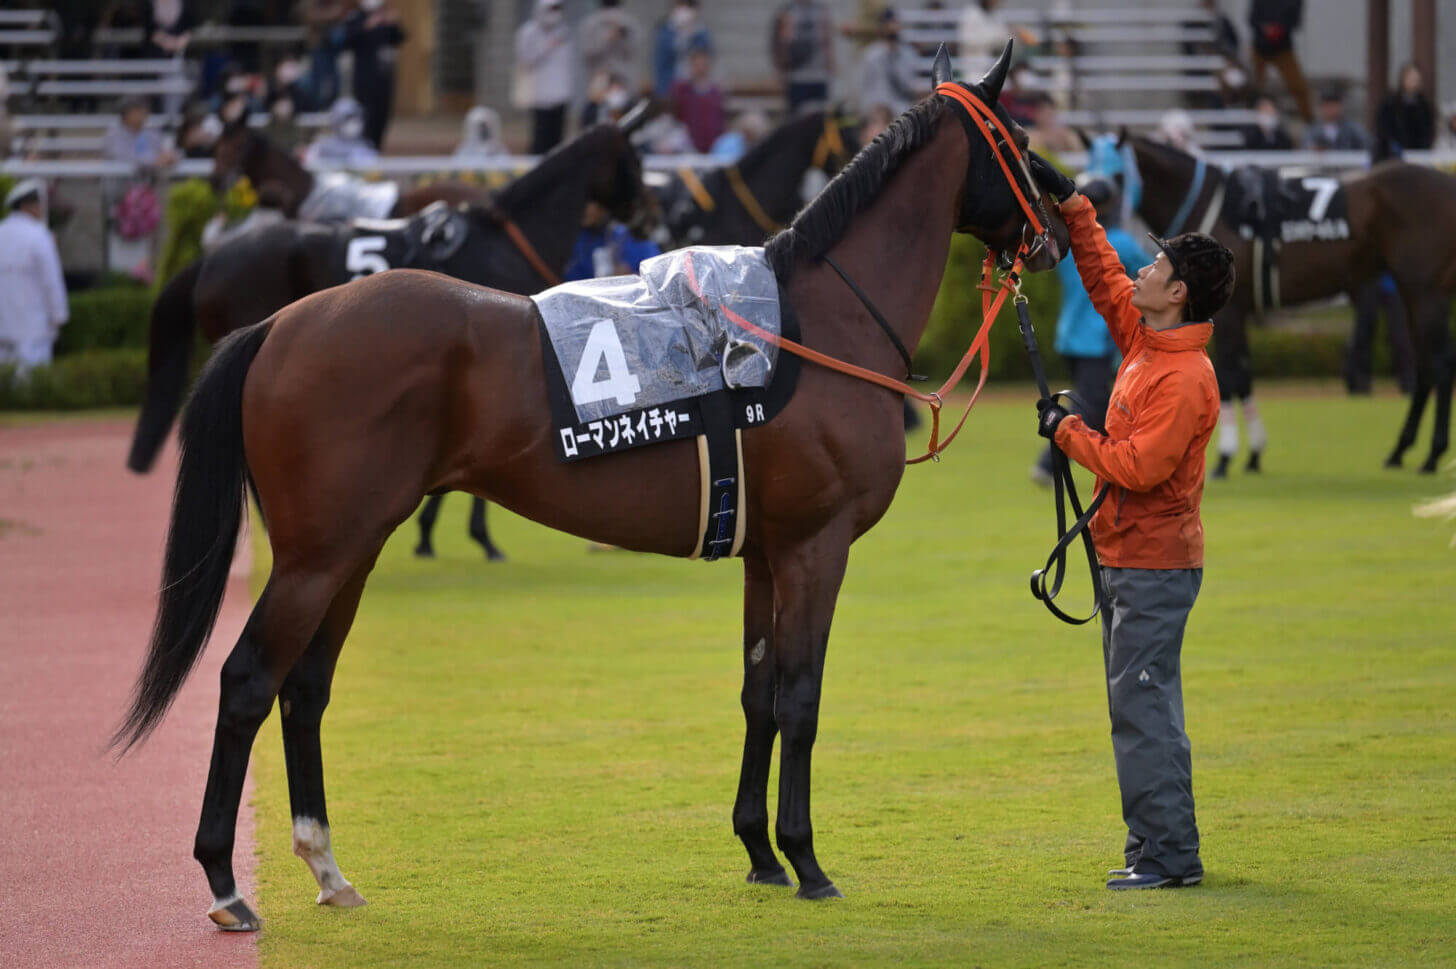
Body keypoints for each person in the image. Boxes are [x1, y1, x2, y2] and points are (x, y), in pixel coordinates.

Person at [1031, 155, 1234, 892]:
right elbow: (1102, 277)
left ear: (1177, 293)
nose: (1140, 270)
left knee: (1143, 709)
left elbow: (1140, 466)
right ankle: (1153, 848)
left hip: (1153, 563)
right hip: (1130, 557)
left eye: (1155, 264)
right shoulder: (1152, 341)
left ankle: (1170, 857)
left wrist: (1066, 431)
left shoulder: (1183, 376)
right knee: (1139, 707)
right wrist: (1072, 203)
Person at [1032, 177, 1148, 485]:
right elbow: (1153, 272)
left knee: (1103, 401)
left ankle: (1116, 461)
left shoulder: (1068, 242)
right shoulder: (1120, 242)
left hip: (1070, 333)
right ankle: (1050, 464)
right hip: (1097, 340)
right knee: (1093, 404)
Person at [0, 180, 69, 376]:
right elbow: (51, 280)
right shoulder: (39, 235)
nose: (41, 209)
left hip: (3, 324)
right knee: (32, 382)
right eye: (38, 204)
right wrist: (59, 316)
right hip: (33, 325)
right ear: (27, 206)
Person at [342, 0, 406, 150]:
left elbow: (399, 37)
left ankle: (376, 147)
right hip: (365, 78)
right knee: (366, 115)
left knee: (382, 114)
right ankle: (364, 148)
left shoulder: (385, 16)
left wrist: (393, 23)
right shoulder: (356, 17)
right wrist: (369, 24)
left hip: (383, 76)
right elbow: (349, 40)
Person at [514, 0, 575, 155]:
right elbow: (525, 60)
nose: (555, 14)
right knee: (540, 138)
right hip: (539, 94)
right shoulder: (528, 32)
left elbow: (567, 64)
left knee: (557, 139)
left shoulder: (564, 32)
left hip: (560, 94)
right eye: (552, 9)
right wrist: (548, 46)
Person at [1248, 0, 1312, 123]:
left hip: (1283, 49)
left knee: (1298, 86)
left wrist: (1280, 29)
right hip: (1260, 48)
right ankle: (1252, 121)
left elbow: (1296, 21)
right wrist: (1265, 29)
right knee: (1254, 85)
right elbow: (1252, 19)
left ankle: (1310, 122)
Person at [563, 201, 661, 281]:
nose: (584, 209)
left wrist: (633, 278)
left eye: (590, 202)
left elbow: (657, 279)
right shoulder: (579, 240)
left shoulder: (636, 241)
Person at [854, 8, 920, 119]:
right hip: (877, 108)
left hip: (901, 107)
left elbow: (908, 84)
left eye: (894, 23)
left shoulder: (908, 54)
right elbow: (862, 86)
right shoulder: (871, 55)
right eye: (888, 24)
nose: (892, 28)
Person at [772, 0, 834, 115]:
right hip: (796, 76)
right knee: (796, 116)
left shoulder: (821, 11)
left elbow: (827, 41)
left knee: (820, 115)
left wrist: (830, 63)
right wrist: (781, 70)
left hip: (818, 74)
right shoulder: (787, 11)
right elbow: (779, 44)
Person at [670, 39, 725, 154]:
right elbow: (676, 117)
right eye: (697, 65)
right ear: (691, 66)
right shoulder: (683, 90)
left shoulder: (715, 92)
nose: (700, 68)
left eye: (703, 64)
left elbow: (719, 120)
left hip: (714, 146)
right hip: (689, 145)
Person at [1374, 62, 1435, 163]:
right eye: (1411, 79)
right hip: (1393, 156)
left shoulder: (1424, 105)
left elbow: (1428, 131)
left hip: (1418, 156)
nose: (1414, 83)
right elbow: (1383, 129)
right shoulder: (1391, 103)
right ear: (1403, 79)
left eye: (1416, 80)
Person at [653, 1, 710, 97]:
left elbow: (703, 58)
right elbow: (663, 59)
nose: (684, 11)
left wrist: (691, 33)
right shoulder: (664, 32)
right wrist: (682, 34)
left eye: (688, 6)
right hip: (669, 88)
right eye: (681, 6)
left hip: (693, 91)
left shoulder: (702, 33)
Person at [304, 97, 380, 167]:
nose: (353, 123)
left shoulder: (366, 147)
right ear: (337, 120)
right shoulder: (322, 147)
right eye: (348, 119)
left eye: (355, 118)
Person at [1304, 86, 1369, 151]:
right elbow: (1305, 148)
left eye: (1333, 106)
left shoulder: (1353, 129)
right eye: (1326, 106)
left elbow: (1366, 146)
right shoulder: (1313, 130)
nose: (1330, 110)